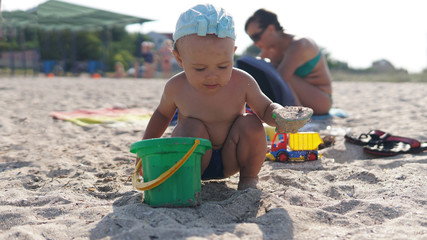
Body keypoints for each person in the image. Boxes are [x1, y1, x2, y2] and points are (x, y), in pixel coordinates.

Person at [140, 4, 303, 190]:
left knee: (251, 123)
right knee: (189, 127)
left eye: (223, 66)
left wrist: (279, 115)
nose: (212, 76)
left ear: (232, 54)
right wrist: (144, 152)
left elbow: (265, 108)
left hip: (231, 156)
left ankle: (249, 179)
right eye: (200, 68)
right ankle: (187, 183)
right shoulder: (176, 87)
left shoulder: (242, 81)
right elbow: (162, 115)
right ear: (179, 59)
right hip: (192, 159)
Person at [245, 9, 332, 115]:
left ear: (271, 29)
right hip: (303, 99)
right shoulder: (270, 50)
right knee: (263, 68)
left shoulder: (299, 44)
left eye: (256, 37)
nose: (255, 43)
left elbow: (279, 79)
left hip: (320, 100)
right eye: (251, 38)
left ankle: (296, 116)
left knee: (273, 71)